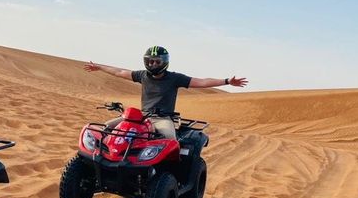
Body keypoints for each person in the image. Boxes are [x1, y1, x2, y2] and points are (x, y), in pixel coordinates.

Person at [84, 45, 248, 140]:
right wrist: (99, 66)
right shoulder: (142, 75)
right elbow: (119, 71)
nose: (153, 64)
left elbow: (202, 82)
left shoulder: (175, 78)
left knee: (170, 141)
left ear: (164, 62)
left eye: (156, 61)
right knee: (106, 128)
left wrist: (226, 81)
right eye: (150, 61)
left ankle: (170, 178)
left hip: (162, 119)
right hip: (141, 116)